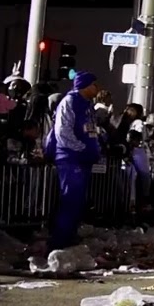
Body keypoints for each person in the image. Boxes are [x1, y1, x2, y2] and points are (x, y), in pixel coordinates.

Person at [45, 71, 102, 249]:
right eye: (93, 84)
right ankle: (59, 241)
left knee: (78, 201)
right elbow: (63, 132)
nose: (96, 88)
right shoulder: (70, 102)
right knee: (70, 199)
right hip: (70, 158)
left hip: (83, 159)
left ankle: (69, 238)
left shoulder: (87, 105)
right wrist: (81, 148)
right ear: (84, 85)